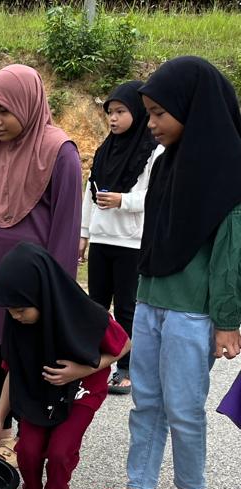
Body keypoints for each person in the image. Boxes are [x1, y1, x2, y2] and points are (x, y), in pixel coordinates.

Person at [80, 56, 241, 489]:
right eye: (147, 113)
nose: (150, 123)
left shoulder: (229, 170)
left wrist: (227, 321)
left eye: (159, 113)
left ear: (193, 108)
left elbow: (230, 257)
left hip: (194, 311)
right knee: (146, 399)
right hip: (151, 299)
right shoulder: (167, 163)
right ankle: (139, 487)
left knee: (184, 407)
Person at [0, 64, 82, 465]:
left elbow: (65, 229)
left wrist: (53, 296)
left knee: (29, 359)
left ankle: (25, 437)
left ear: (27, 103)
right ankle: (0, 426)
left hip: (37, 286)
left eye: (4, 111)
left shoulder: (60, 151)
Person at [0, 243, 130, 489]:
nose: (15, 316)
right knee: (28, 449)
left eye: (20, 310)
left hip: (81, 390)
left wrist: (81, 370)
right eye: (10, 311)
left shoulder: (86, 314)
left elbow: (124, 345)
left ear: (41, 295)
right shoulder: (17, 324)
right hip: (38, 392)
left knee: (60, 449)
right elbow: (13, 373)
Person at [79, 80, 163, 395]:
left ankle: (125, 368)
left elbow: (156, 196)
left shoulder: (154, 151)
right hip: (102, 239)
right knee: (96, 305)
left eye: (120, 111)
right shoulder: (105, 150)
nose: (113, 118)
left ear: (138, 113)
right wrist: (83, 234)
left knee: (127, 308)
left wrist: (122, 201)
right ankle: (92, 360)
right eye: (110, 112)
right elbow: (90, 194)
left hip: (131, 242)